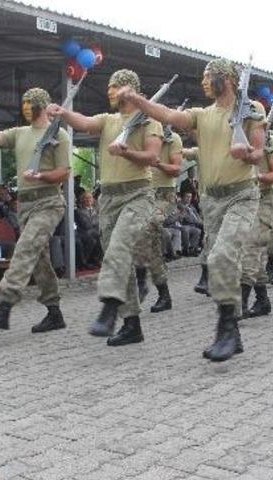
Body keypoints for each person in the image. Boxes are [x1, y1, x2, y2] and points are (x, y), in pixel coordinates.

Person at [119, 58, 267, 361]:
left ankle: (226, 328)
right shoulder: (203, 114)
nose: (203, 81)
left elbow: (260, 150)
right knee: (217, 262)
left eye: (207, 76)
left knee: (222, 255)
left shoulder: (251, 109)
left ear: (224, 79)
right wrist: (138, 100)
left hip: (241, 195)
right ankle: (232, 332)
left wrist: (249, 154)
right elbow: (169, 114)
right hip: (211, 200)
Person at [49, 69, 162, 346]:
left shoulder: (149, 121)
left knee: (119, 249)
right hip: (109, 198)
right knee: (117, 255)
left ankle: (109, 306)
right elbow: (85, 123)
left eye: (113, 87)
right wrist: (63, 114)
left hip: (137, 194)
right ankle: (131, 324)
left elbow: (151, 157)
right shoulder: (109, 119)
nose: (108, 91)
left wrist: (125, 151)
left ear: (128, 89)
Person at [0, 87, 71, 332]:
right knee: (38, 259)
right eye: (24, 103)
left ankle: (4, 306)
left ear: (40, 105)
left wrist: (41, 174)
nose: (25, 107)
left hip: (49, 201)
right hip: (26, 204)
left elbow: (64, 171)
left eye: (29, 103)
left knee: (26, 247)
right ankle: (54, 313)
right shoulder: (20, 133)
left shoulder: (58, 134)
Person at [134, 122, 183, 314]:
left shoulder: (173, 139)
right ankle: (162, 293)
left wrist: (158, 163)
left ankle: (142, 283)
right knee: (145, 243)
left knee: (147, 228)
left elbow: (176, 170)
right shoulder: (142, 135)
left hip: (164, 195)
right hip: (142, 193)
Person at [240, 131, 273, 319]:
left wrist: (259, 177)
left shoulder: (269, 142)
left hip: (262, 200)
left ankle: (240, 302)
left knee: (250, 247)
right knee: (250, 253)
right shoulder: (234, 137)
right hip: (239, 201)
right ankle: (262, 299)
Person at [75, 192, 102, 269]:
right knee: (95, 236)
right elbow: (86, 225)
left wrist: (93, 221)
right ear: (82, 200)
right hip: (82, 233)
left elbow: (100, 221)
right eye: (86, 198)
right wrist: (95, 221)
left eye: (90, 198)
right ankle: (85, 262)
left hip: (93, 233)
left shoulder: (96, 210)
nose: (88, 200)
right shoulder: (78, 211)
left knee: (100, 236)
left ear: (93, 200)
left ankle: (96, 260)